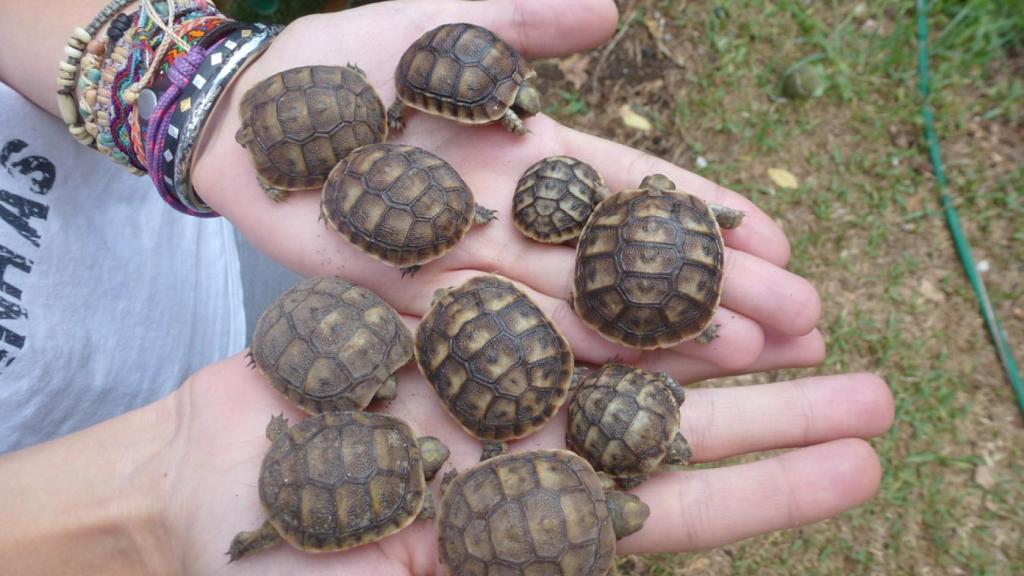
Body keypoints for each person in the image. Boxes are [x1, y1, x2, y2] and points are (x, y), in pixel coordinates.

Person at [0, 0, 894, 573]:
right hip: (278, 348)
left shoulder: (428, 383)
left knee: (350, 304)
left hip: (226, 253)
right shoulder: (412, 393)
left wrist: (196, 96)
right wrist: (154, 508)